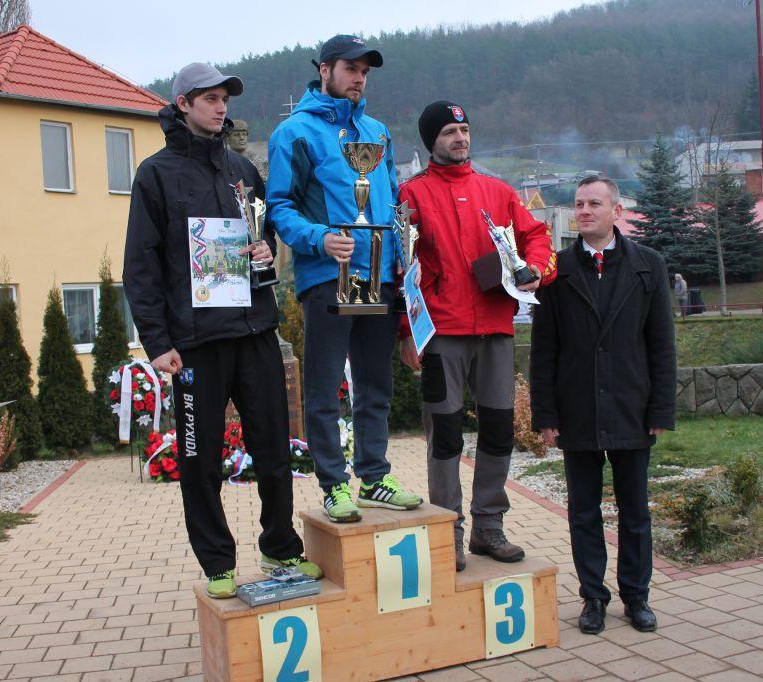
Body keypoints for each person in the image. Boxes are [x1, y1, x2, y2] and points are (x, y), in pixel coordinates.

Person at [123, 63, 321, 599]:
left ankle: (280, 547)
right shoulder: (155, 175)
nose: (221, 107)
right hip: (195, 345)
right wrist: (157, 342)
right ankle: (217, 563)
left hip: (255, 331)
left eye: (225, 99)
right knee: (200, 461)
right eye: (209, 98)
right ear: (183, 104)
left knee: (274, 451)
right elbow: (140, 266)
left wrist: (263, 253)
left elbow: (263, 235)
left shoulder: (242, 169)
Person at [267, 35, 422, 522]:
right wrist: (319, 239)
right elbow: (279, 207)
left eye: (365, 72)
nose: (359, 78)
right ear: (325, 70)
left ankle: (374, 478)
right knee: (324, 387)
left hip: (380, 275)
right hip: (327, 274)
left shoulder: (377, 132)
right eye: (351, 69)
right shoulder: (294, 132)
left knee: (376, 385)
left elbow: (392, 202)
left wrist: (401, 264)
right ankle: (334, 485)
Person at [398, 101, 556, 571]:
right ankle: (448, 532)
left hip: (495, 329)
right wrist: (407, 332)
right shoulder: (410, 195)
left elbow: (538, 235)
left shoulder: (498, 191)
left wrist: (536, 270)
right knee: (445, 436)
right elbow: (398, 267)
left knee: (499, 430)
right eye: (449, 131)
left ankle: (489, 527)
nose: (460, 138)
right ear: (432, 140)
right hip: (441, 333)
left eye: (464, 129)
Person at [530, 176, 676, 635]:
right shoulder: (556, 270)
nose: (585, 211)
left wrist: (660, 410)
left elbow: (662, 345)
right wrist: (546, 414)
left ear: (617, 211)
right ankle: (593, 597)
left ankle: (637, 597)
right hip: (577, 408)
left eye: (595, 203)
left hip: (632, 405)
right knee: (583, 512)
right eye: (579, 204)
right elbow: (543, 349)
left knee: (635, 512)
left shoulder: (648, 266)